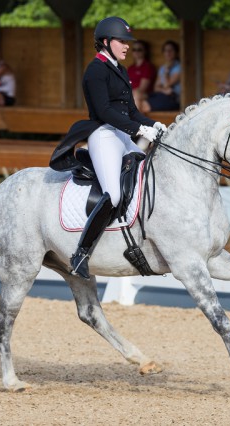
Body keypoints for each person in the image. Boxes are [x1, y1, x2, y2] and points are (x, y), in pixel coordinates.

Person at [48, 17, 167, 280]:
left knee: (144, 176)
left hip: (122, 134)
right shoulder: (95, 70)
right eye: (122, 42)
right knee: (113, 194)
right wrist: (137, 130)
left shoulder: (120, 70)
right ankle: (81, 254)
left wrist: (153, 124)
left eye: (127, 42)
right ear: (106, 42)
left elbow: (132, 111)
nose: (126, 47)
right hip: (103, 135)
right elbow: (104, 111)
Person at [141, 40, 181, 112]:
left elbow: (166, 85)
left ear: (176, 52)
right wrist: (164, 91)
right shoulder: (163, 68)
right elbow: (156, 88)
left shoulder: (179, 67)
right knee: (140, 101)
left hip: (174, 99)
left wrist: (166, 72)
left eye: (171, 50)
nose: (168, 53)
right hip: (162, 96)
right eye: (166, 50)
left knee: (145, 106)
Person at [127, 40, 156, 112]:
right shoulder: (130, 68)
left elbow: (142, 89)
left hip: (145, 95)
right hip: (132, 96)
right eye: (134, 50)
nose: (136, 52)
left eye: (139, 50)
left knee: (136, 95)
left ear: (145, 51)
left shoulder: (147, 67)